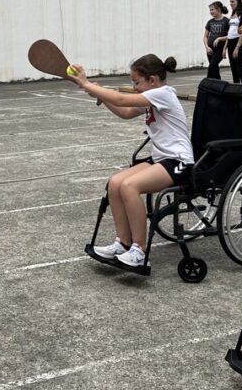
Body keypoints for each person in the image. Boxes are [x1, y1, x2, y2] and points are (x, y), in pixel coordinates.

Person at [64, 54, 192, 269]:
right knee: (115, 183)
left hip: (179, 161)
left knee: (129, 186)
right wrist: (101, 96)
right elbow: (124, 111)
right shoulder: (152, 96)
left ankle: (139, 251)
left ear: (152, 80)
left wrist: (88, 84)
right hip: (161, 158)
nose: (134, 87)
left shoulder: (163, 94)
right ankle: (122, 243)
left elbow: (122, 99)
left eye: (136, 82)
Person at [221, 0, 242, 83]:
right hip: (230, 42)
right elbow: (229, 33)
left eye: (232, 2)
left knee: (240, 68)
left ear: (238, 2)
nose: (230, 4)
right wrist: (225, 48)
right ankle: (236, 89)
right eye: (230, 2)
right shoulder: (232, 15)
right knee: (233, 69)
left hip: (238, 42)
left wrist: (237, 47)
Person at [203, 1, 230, 80]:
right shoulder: (210, 22)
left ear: (218, 9)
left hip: (220, 49)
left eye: (212, 10)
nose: (211, 12)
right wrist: (207, 47)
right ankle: (218, 84)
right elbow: (205, 36)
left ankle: (208, 82)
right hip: (210, 49)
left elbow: (230, 36)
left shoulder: (226, 21)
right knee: (214, 67)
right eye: (210, 10)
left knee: (212, 65)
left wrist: (220, 41)